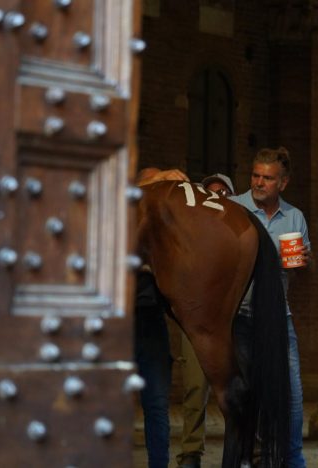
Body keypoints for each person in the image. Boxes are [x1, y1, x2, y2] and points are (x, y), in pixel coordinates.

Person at [230, 147, 310, 468]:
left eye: (267, 178)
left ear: (283, 183)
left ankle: (293, 459)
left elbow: (298, 268)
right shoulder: (232, 208)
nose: (259, 183)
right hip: (239, 315)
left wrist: (302, 259)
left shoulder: (293, 217)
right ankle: (249, 458)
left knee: (291, 392)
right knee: (245, 392)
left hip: (277, 316)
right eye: (255, 176)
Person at [177, 173, 236, 468]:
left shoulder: (238, 232)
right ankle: (190, 452)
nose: (216, 197)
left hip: (232, 322)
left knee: (237, 390)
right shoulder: (189, 235)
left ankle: (238, 451)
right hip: (196, 322)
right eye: (210, 193)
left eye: (223, 193)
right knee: (194, 389)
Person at [134, 167, 188, 468]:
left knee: (156, 403)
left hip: (151, 321)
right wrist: (158, 178)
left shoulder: (161, 235)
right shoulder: (122, 218)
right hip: (119, 326)